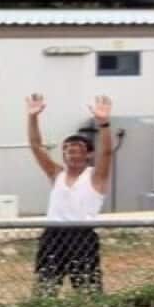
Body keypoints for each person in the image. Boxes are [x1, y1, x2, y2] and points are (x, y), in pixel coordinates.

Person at [26, 94, 113, 296]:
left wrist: (104, 124)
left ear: (89, 154)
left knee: (87, 287)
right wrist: (33, 117)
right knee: (46, 285)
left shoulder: (95, 177)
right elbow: (36, 146)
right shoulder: (57, 174)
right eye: (68, 151)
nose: (72, 155)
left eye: (77, 151)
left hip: (81, 235)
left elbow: (107, 153)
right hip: (54, 235)